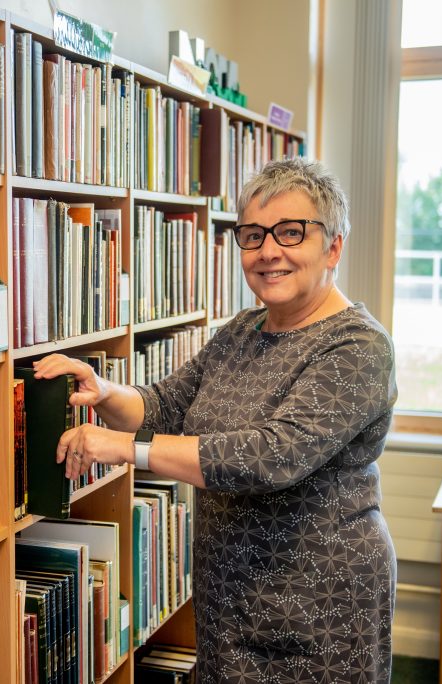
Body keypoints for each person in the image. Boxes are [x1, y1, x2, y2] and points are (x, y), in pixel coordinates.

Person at [32, 157, 397, 683]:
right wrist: (103, 389)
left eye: (291, 233)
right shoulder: (241, 331)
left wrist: (121, 449)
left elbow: (269, 457)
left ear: (333, 245)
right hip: (230, 600)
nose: (269, 251)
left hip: (320, 608)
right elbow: (165, 405)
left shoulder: (358, 345)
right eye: (253, 235)